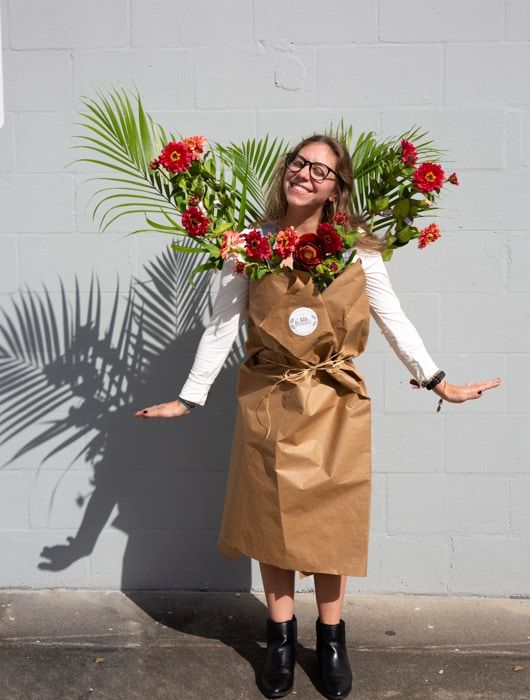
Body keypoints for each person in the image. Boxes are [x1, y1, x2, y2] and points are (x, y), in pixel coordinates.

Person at [134, 135, 501, 699]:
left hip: (334, 399)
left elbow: (391, 316)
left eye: (320, 171)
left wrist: (437, 380)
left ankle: (331, 640)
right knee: (270, 523)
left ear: (336, 189)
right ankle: (279, 639)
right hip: (269, 397)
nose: (305, 174)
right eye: (299, 164)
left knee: (333, 522)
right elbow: (222, 325)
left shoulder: (357, 247)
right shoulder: (248, 243)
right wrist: (191, 396)